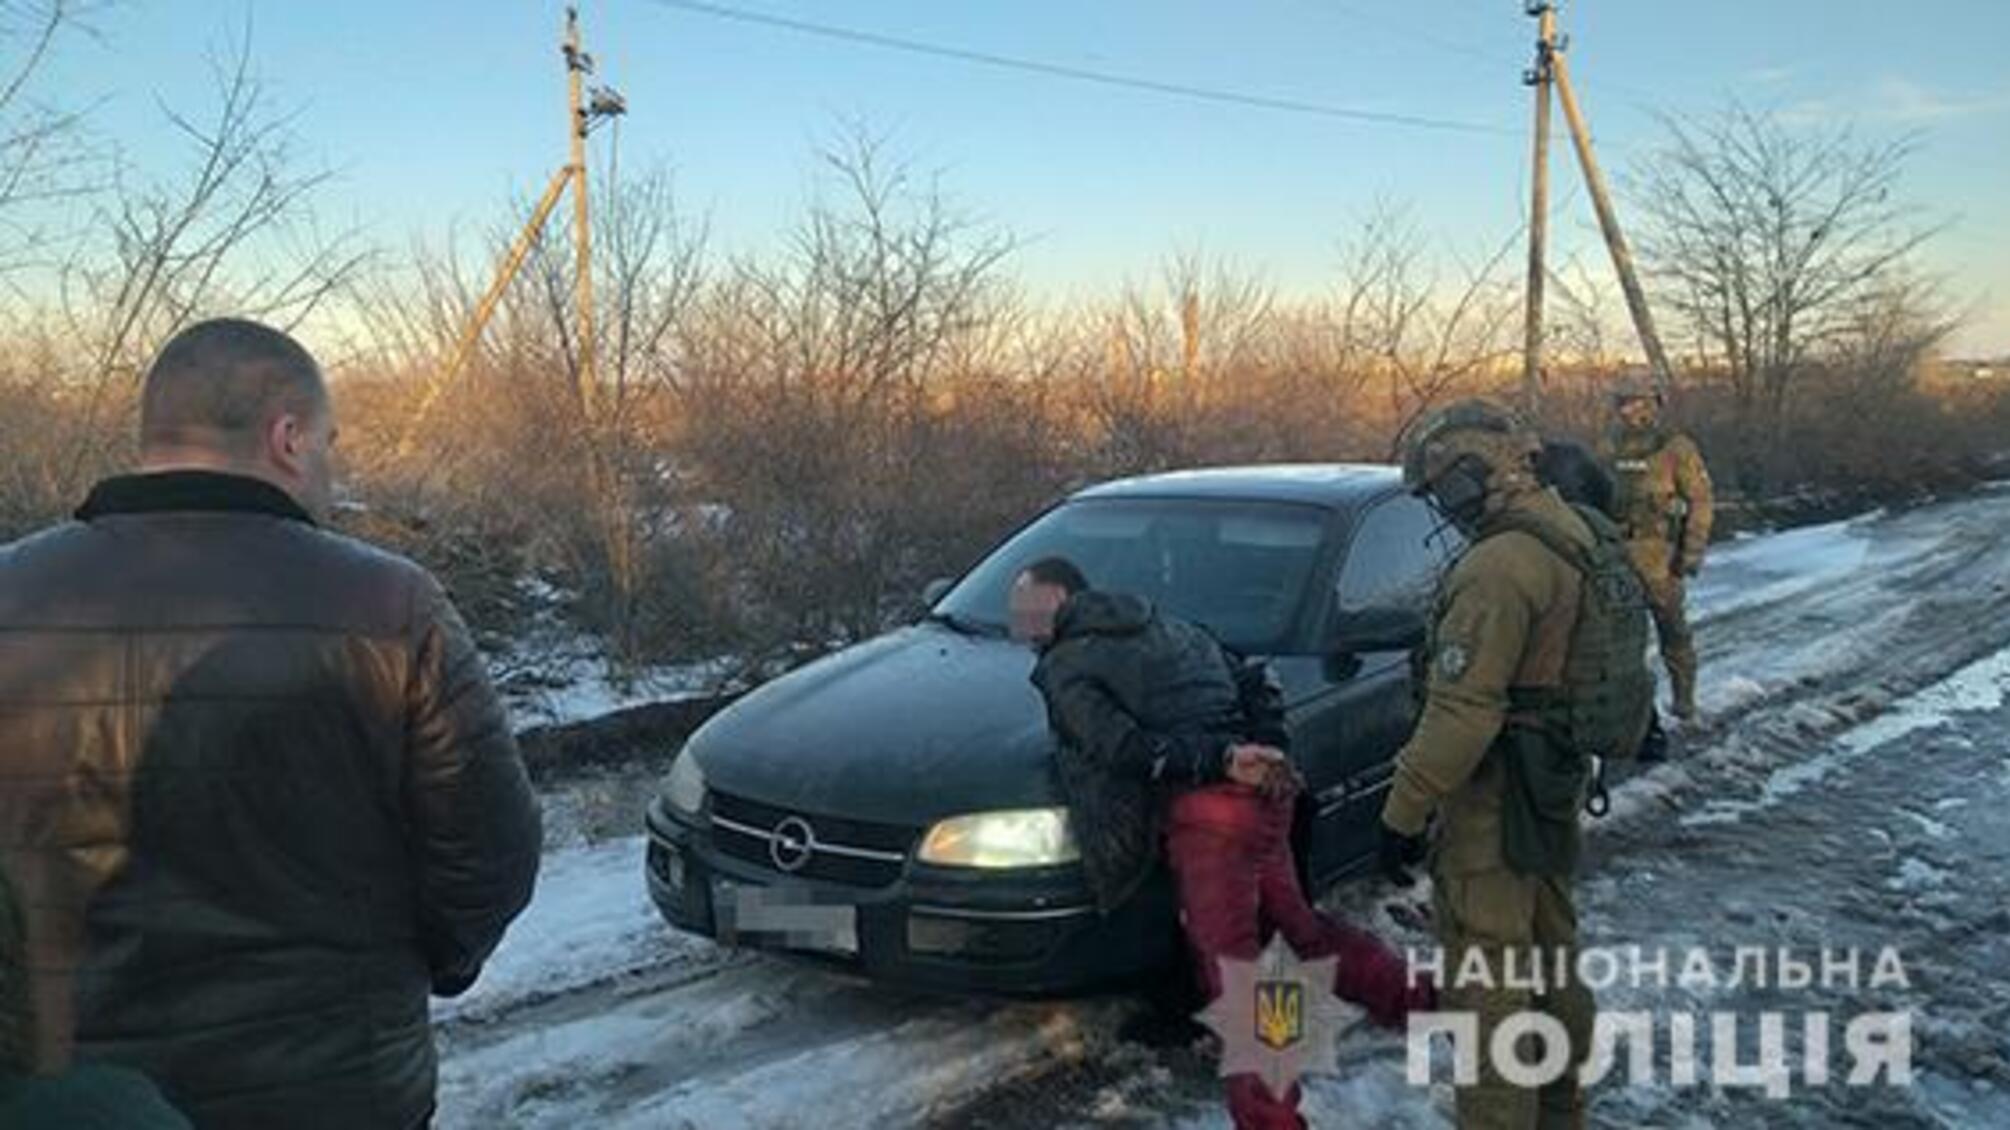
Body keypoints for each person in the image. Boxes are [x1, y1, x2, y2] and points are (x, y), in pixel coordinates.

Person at [0, 318, 542, 1129]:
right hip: (336, 1088)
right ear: (287, 438)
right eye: (327, 441)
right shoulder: (390, 604)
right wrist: (426, 968)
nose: (330, 466)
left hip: (67, 1093)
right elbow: (491, 854)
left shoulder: (10, 593)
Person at [1011, 557, 1428, 1130]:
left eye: (1026, 610)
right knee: (1296, 930)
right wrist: (1269, 749)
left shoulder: (1065, 663)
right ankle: (1419, 1001)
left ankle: (1271, 1120)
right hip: (1262, 802)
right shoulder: (1167, 624)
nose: (1018, 625)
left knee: (1236, 975)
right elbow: (1256, 681)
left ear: (1060, 600)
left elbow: (1122, 748)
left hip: (1211, 817)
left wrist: (1224, 760)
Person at [1380, 399, 1653, 1130]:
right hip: (1550, 786)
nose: (1445, 506)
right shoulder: (1569, 526)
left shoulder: (1499, 566)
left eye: (1443, 489)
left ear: (1471, 478)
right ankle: (1563, 1113)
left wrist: (1402, 814)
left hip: (1494, 803)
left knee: (1489, 990)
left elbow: (1462, 712)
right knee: (1551, 961)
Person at [1598, 374, 1715, 723]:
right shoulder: (1609, 444)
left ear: (1651, 404)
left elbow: (1701, 500)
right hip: (1616, 553)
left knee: (1672, 630)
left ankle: (1684, 701)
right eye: (1621, 402)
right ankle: (1630, 715)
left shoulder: (1675, 446)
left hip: (1659, 557)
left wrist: (1691, 552)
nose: (1625, 409)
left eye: (1632, 401)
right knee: (1616, 641)